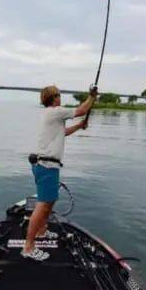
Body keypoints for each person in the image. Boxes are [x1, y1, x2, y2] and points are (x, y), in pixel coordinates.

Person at [22, 84, 98, 261]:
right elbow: (81, 110)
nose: (60, 97)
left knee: (49, 202)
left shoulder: (52, 116)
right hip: (47, 166)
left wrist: (79, 126)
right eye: (58, 95)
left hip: (48, 166)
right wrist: (92, 96)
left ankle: (42, 231)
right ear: (53, 97)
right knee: (43, 205)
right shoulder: (55, 111)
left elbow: (63, 132)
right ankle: (28, 246)